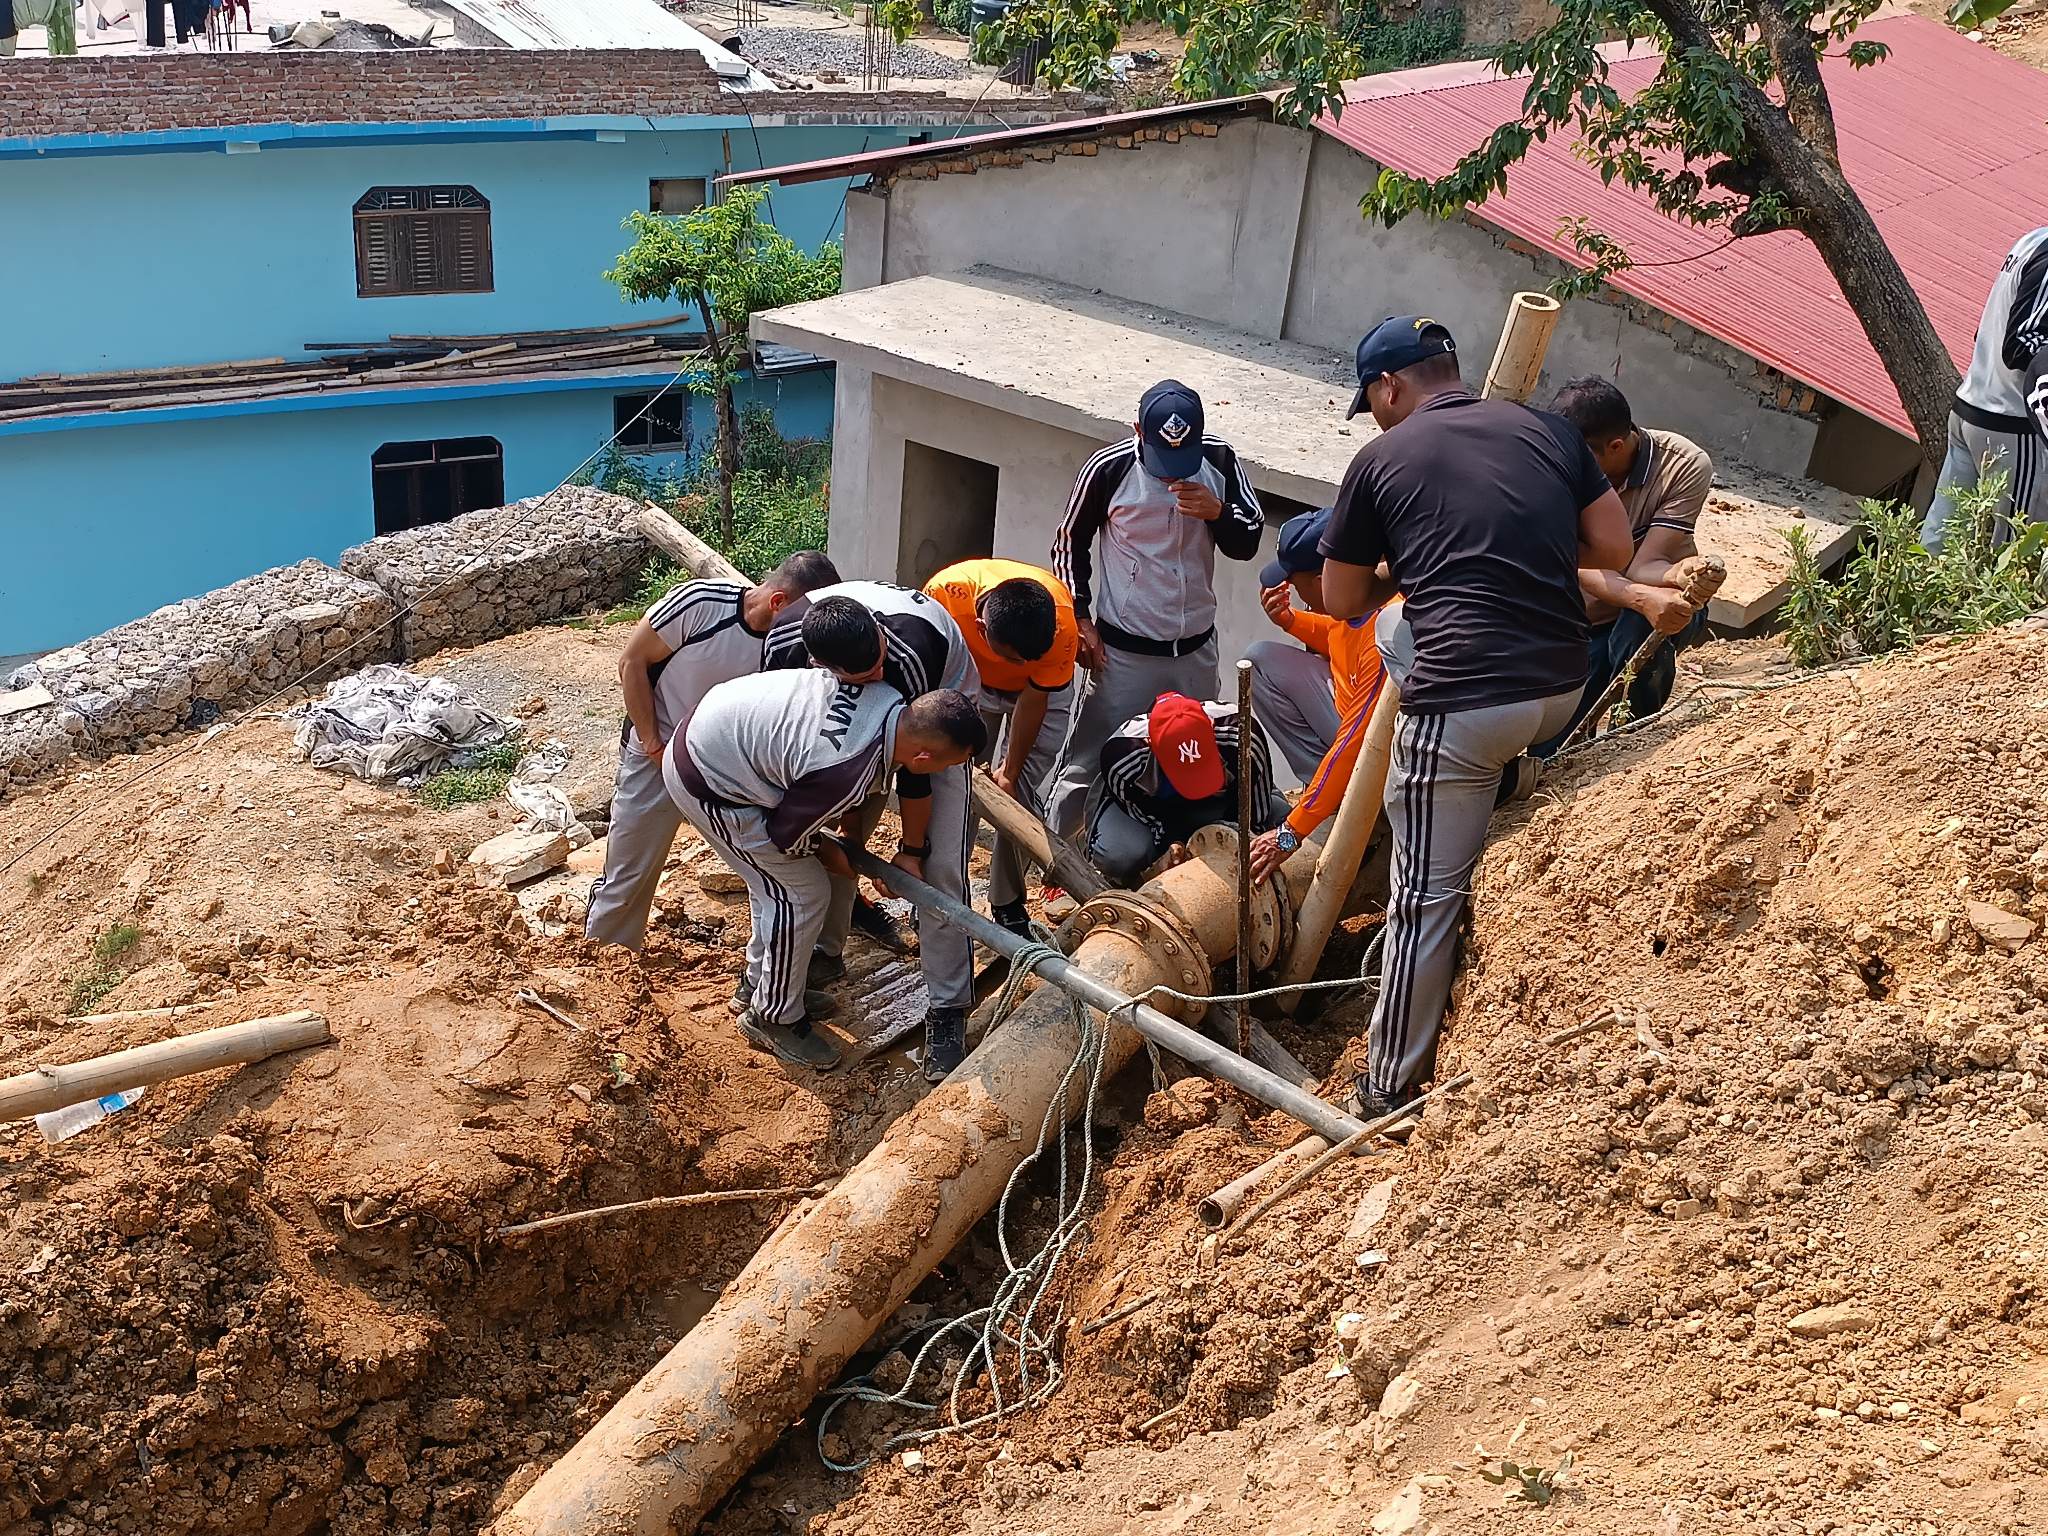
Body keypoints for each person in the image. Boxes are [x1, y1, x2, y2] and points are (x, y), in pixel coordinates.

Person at [1318, 315, 1634, 1120]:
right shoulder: (1547, 431)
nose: (1377, 413)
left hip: (1469, 701)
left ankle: (1388, 1088)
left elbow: (1343, 600)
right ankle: (1514, 775)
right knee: (1405, 634)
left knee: (1423, 897)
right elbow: (1614, 550)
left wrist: (1408, 560)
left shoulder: (1381, 458)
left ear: (1388, 387)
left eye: (1374, 399)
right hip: (1560, 683)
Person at [664, 670, 982, 1069]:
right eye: (949, 765)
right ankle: (774, 1015)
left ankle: (762, 984)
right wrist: (840, 860)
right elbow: (787, 838)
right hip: (712, 782)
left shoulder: (887, 701)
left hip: (718, 737)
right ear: (923, 758)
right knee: (799, 893)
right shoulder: (844, 771)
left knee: (778, 884)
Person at [765, 584, 985, 1080]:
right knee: (824, 833)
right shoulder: (786, 647)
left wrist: (910, 852)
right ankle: (823, 952)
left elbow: (918, 769)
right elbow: (790, 740)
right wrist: (830, 829)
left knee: (941, 865)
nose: (879, 675)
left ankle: (948, 1008)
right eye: (867, 675)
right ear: (824, 667)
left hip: (939, 719)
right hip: (848, 723)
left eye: (879, 662)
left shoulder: (905, 659)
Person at [1047, 379, 1265, 851]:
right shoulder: (1110, 468)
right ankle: (1059, 869)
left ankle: (1173, 861)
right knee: (1085, 765)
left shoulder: (1220, 461)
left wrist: (1218, 512)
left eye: (1180, 462)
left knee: (1195, 756)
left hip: (1194, 650)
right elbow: (1068, 544)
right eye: (1162, 462)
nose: (1171, 476)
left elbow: (1248, 537)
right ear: (1138, 432)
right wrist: (1079, 617)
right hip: (1124, 651)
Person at [586, 551, 839, 951]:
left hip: (729, 768)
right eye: (799, 617)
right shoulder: (700, 604)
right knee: (630, 871)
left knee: (770, 865)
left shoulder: (789, 652)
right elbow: (632, 662)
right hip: (658, 750)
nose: (803, 632)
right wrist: (653, 744)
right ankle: (605, 961)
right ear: (778, 603)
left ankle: (769, 968)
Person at [1535, 376, 1713, 754]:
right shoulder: (1556, 468)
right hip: (1584, 617)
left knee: (1636, 632)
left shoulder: (1683, 465)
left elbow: (1647, 564)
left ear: (1615, 446)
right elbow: (1576, 564)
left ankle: (1634, 741)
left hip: (1658, 608)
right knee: (1550, 745)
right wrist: (1640, 594)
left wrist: (1677, 575)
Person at [923, 558, 1080, 935]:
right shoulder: (944, 595)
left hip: (1038, 697)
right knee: (956, 785)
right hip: (969, 682)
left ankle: (1008, 902)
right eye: (1016, 658)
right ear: (981, 629)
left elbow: (1034, 700)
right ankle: (939, 891)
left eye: (1031, 659)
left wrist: (1009, 773)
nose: (1023, 664)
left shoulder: (1061, 623)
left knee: (1018, 792)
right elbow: (939, 676)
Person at [1244, 507, 1392, 882]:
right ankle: (1330, 798)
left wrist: (1290, 833)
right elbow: (1337, 637)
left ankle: (1351, 807)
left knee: (1348, 758)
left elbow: (1355, 746)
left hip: (1385, 756)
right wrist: (1290, 620)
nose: (1293, 592)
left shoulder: (1387, 630)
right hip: (1350, 716)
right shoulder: (1361, 596)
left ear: (1326, 575)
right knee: (1261, 660)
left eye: (1297, 583)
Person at [1922, 226, 2048, 552]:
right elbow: (2022, 343)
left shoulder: (2031, 240)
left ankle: (1913, 599)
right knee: (2013, 553)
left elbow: (1986, 331)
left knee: (1941, 539)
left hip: (1972, 407)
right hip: (2013, 424)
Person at [1088, 692, 1284, 885]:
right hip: (1155, 809)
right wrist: (1171, 845)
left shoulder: (1242, 734)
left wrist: (1242, 845)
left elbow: (1255, 805)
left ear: (1211, 726)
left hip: (1222, 800)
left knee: (1283, 825)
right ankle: (1125, 881)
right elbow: (1146, 814)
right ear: (1150, 744)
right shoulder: (1123, 757)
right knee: (1122, 855)